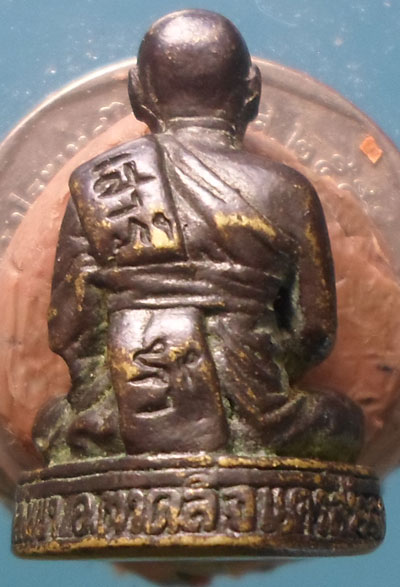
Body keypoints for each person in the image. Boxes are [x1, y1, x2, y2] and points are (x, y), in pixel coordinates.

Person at [34, 9, 363, 464]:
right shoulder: (287, 190)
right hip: (261, 413)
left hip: (121, 415)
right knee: (343, 422)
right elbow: (314, 331)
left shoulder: (100, 184)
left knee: (51, 425)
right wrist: (253, 364)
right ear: (253, 91)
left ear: (136, 93)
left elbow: (70, 329)